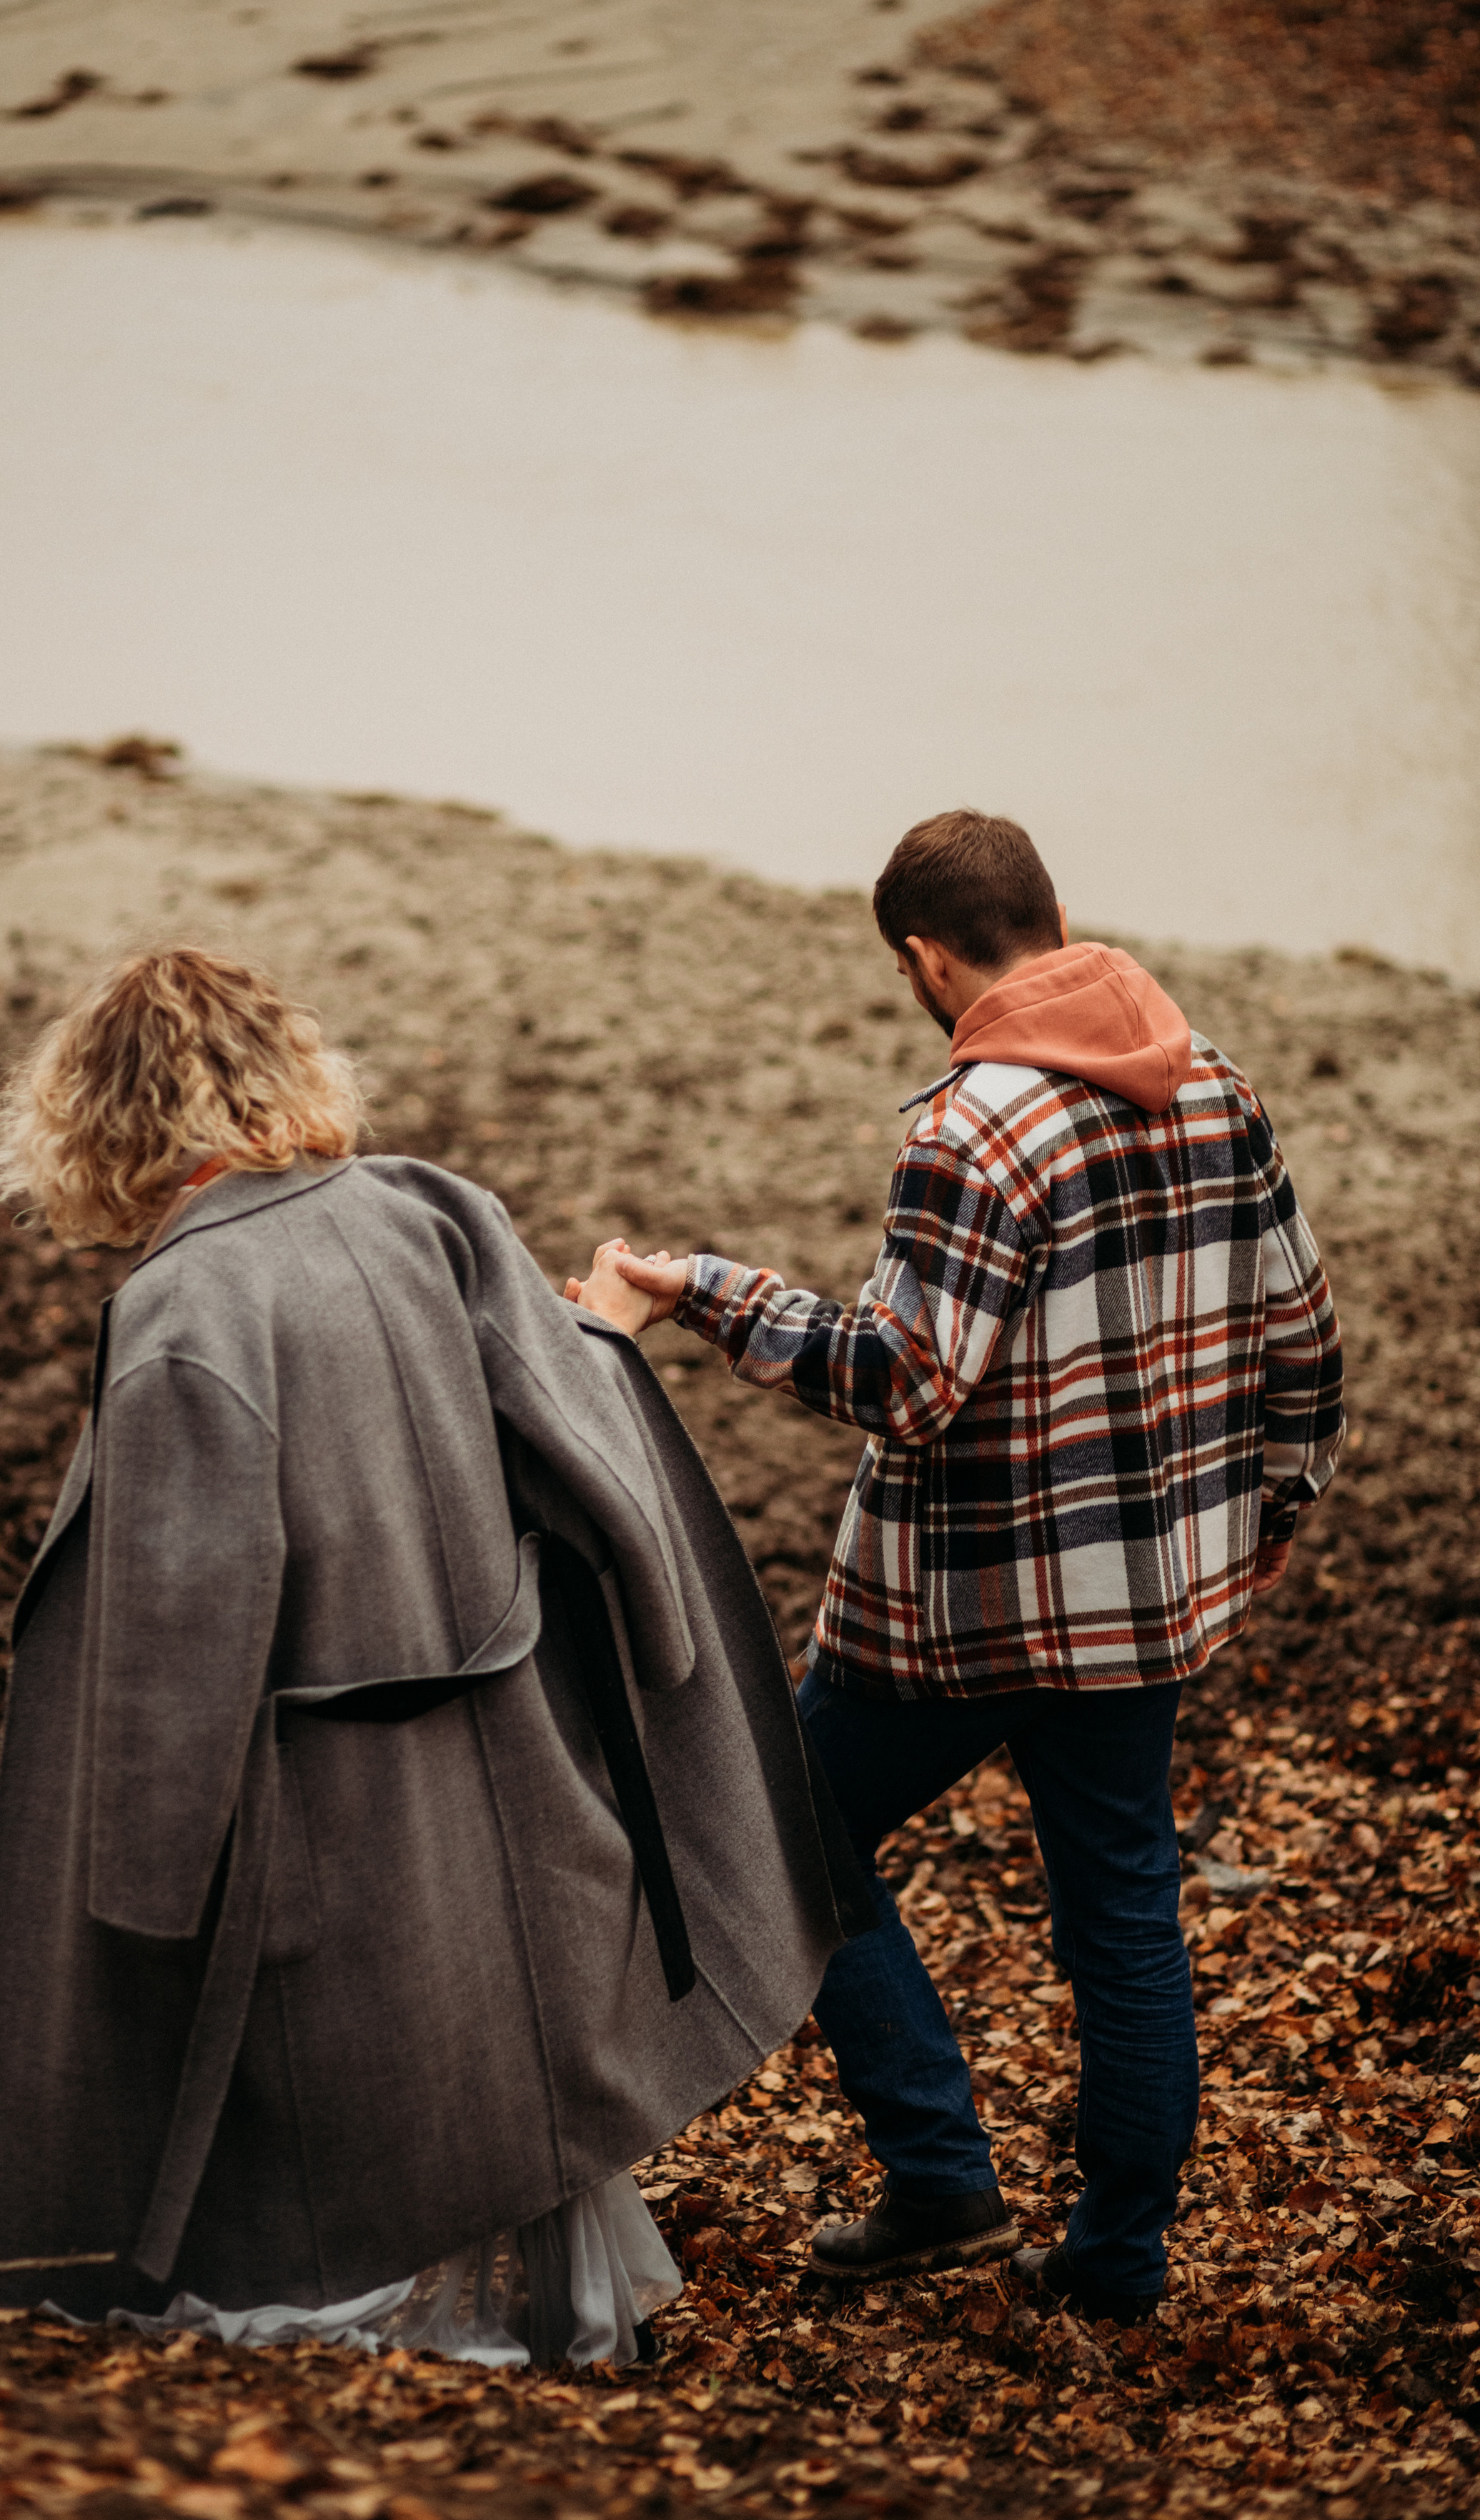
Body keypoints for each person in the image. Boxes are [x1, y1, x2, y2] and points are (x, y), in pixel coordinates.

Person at [0, 946, 867, 2366]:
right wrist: (647, 1596)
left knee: (314, 2106)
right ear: (282, 1070)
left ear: (96, 1120)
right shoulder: (428, 1209)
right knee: (483, 2036)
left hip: (322, 1804)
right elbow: (577, 1444)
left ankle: (352, 2347)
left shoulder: (184, 1316)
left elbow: (179, 1641)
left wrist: (133, 1909)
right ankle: (505, 2334)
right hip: (501, 1765)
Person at [568, 810, 1344, 2324]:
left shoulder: (970, 1129)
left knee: (787, 1827)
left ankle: (937, 2179)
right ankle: (1113, 2266)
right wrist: (1247, 1533)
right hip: (1137, 1609)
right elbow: (1300, 1349)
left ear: (927, 959)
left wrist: (705, 1295)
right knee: (1121, 1912)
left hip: (961, 1615)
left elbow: (905, 1381)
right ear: (1049, 916)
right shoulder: (1214, 1086)